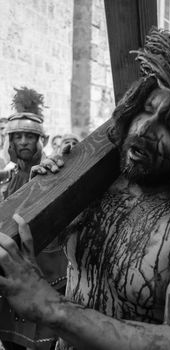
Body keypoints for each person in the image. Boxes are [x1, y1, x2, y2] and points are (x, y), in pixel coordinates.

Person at [0, 27, 170, 350]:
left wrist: (50, 307)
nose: (145, 129)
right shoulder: (104, 176)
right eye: (147, 110)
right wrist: (47, 191)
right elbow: (57, 245)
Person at [0, 87, 67, 350]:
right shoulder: (9, 175)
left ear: (42, 139)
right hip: (12, 270)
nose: (24, 142)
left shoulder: (51, 169)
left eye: (30, 136)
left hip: (47, 269)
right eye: (18, 137)